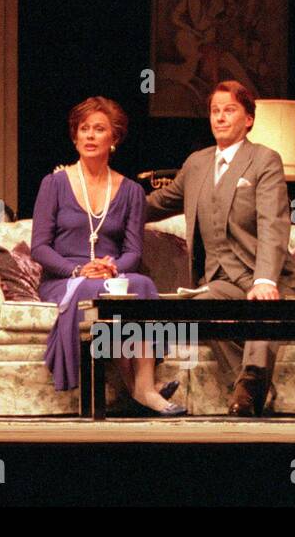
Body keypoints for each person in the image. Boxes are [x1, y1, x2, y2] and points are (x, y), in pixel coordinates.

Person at [146, 80, 295, 416]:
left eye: (229, 110)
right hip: (220, 279)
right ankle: (247, 386)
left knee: (262, 310)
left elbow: (273, 224)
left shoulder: (264, 159)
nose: (220, 117)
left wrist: (265, 279)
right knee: (201, 308)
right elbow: (157, 203)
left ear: (248, 118)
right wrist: (107, 197)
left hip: (261, 274)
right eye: (215, 111)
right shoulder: (197, 163)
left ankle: (249, 389)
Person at [30, 97, 183, 415]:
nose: (89, 135)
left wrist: (111, 269)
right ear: (75, 137)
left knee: (140, 285)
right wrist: (77, 270)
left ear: (114, 138)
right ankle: (143, 391)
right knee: (94, 292)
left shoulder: (131, 191)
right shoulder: (53, 184)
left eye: (98, 129)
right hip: (65, 280)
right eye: (83, 129)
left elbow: (132, 252)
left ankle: (143, 383)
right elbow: (40, 247)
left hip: (111, 276)